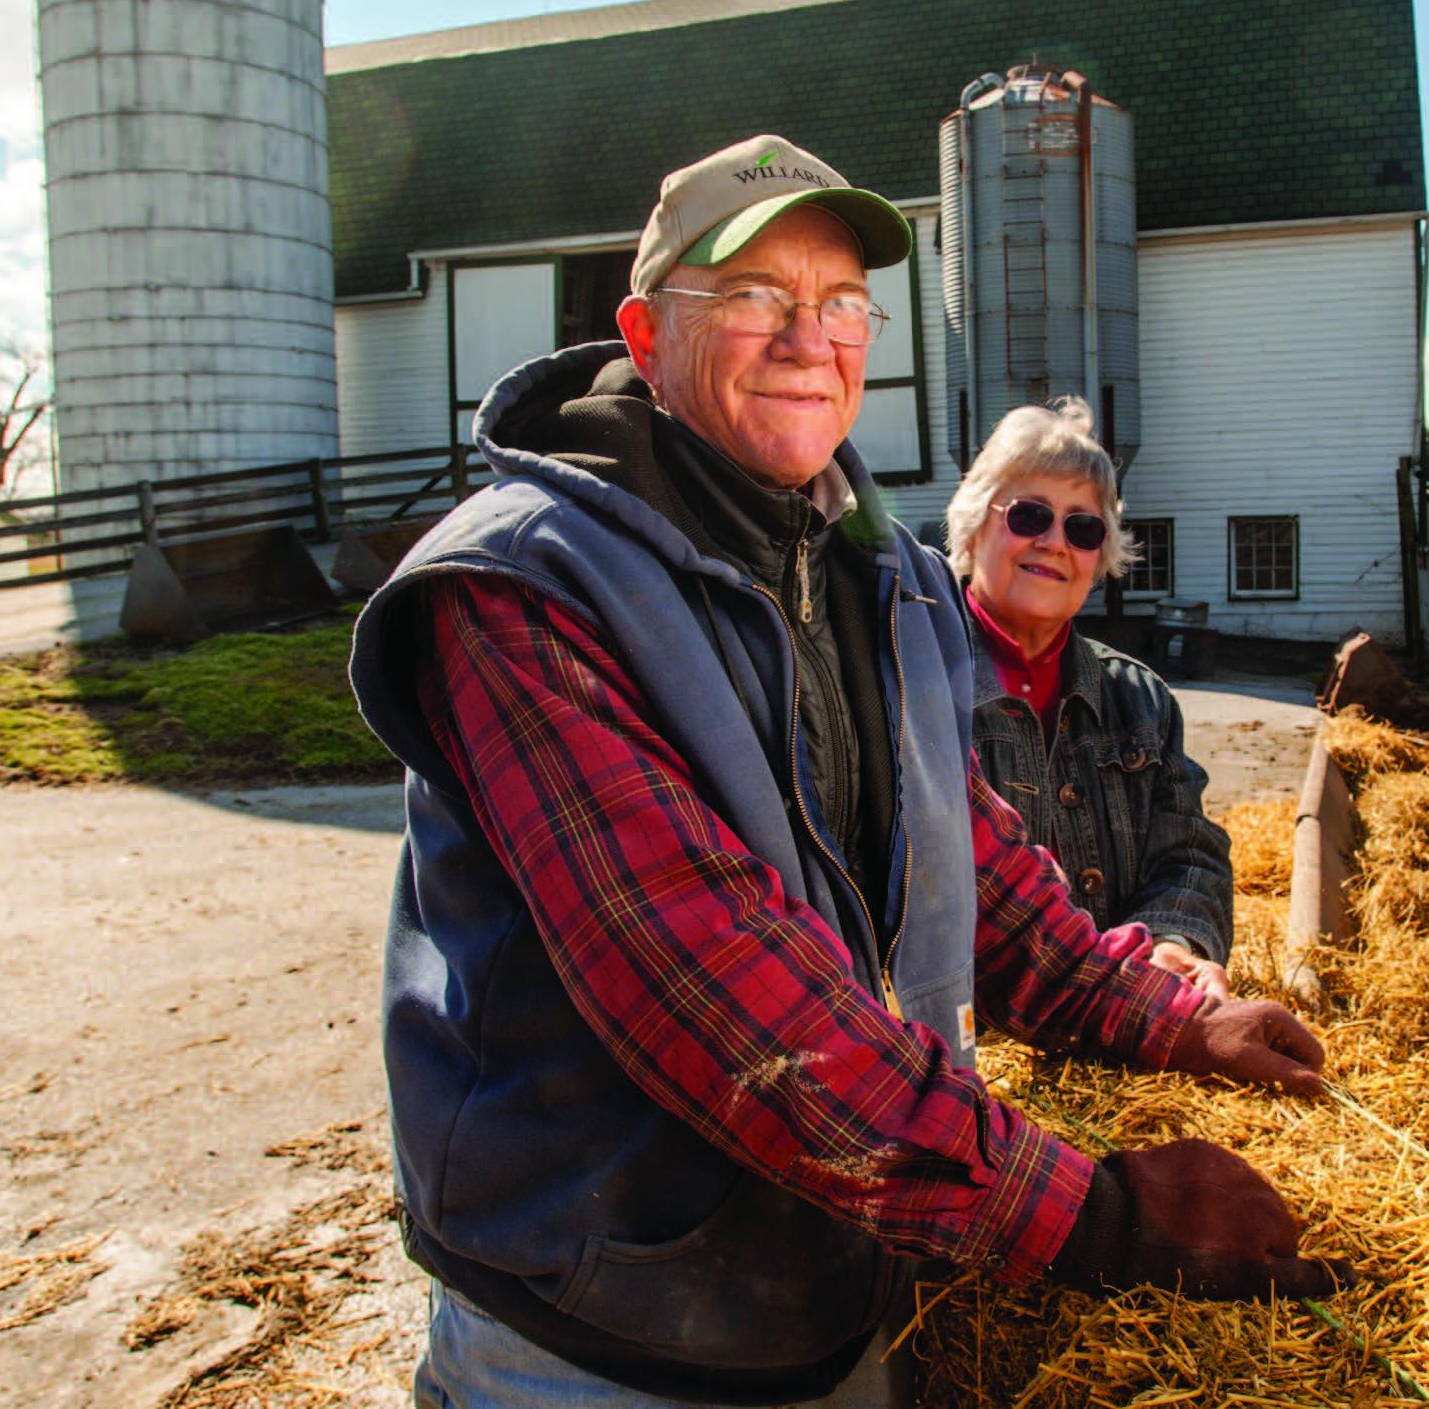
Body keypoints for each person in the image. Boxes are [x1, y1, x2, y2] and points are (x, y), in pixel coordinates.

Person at [350, 134, 1342, 1408]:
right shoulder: (524, 591)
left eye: (839, 304)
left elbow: (964, 856)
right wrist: (1098, 1214)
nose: (805, 337)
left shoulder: (874, 569)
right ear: (646, 335)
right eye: (754, 297)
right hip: (605, 1329)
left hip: (839, 1282)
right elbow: (723, 998)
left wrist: (1173, 1017)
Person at [948, 401, 1236, 1001]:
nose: (1054, 542)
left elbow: (1188, 853)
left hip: (1126, 1024)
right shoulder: (912, 685)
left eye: (1082, 527)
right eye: (1029, 516)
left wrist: (1172, 941)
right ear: (974, 525)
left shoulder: (1141, 698)